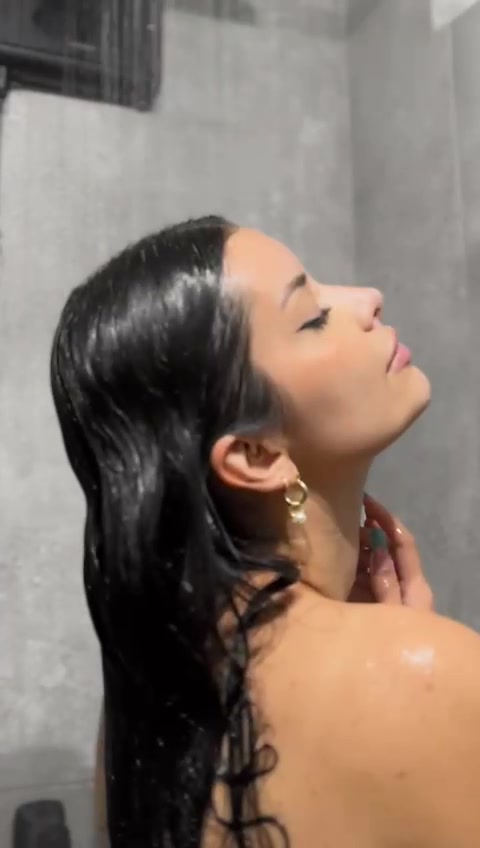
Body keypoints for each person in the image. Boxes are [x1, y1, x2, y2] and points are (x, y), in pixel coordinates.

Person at [50, 216, 480, 848]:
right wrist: (417, 672)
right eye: (313, 318)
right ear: (254, 455)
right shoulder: (425, 675)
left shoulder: (141, 720)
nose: (367, 299)